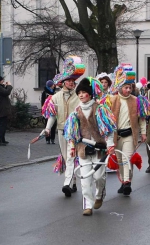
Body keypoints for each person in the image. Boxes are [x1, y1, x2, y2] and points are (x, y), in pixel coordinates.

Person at [64, 77, 116, 216]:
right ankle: (88, 205)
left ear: (90, 94)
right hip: (83, 150)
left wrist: (110, 144)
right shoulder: (75, 113)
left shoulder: (100, 109)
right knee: (85, 180)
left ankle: (99, 195)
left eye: (83, 92)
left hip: (99, 149)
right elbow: (71, 133)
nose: (81, 95)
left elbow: (108, 130)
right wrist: (72, 146)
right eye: (79, 92)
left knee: (99, 177)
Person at [43, 56, 84, 197]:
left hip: (74, 132)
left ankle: (66, 184)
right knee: (66, 157)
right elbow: (52, 115)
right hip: (61, 130)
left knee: (71, 156)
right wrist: (48, 128)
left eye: (73, 81)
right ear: (63, 83)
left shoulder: (79, 96)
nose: (72, 83)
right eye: (70, 81)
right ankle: (73, 183)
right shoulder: (55, 98)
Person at [108, 64, 149, 195]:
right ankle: (123, 182)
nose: (128, 90)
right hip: (117, 135)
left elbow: (141, 118)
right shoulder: (112, 100)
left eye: (130, 87)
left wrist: (143, 133)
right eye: (126, 87)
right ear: (120, 88)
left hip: (130, 135)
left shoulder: (136, 101)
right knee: (120, 160)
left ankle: (127, 182)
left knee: (127, 158)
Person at [0, 75, 13, 145]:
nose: (3, 81)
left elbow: (4, 92)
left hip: (1, 109)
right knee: (1, 125)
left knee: (3, 125)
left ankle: (2, 139)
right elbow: (6, 92)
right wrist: (9, 86)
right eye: (2, 80)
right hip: (1, 109)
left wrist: (5, 86)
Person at [41, 80, 57, 144]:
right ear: (50, 85)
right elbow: (43, 102)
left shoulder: (54, 92)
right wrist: (43, 111)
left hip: (53, 111)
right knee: (47, 125)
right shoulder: (44, 93)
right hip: (47, 111)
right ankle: (47, 139)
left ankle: (52, 138)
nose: (54, 85)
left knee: (53, 125)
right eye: (53, 84)